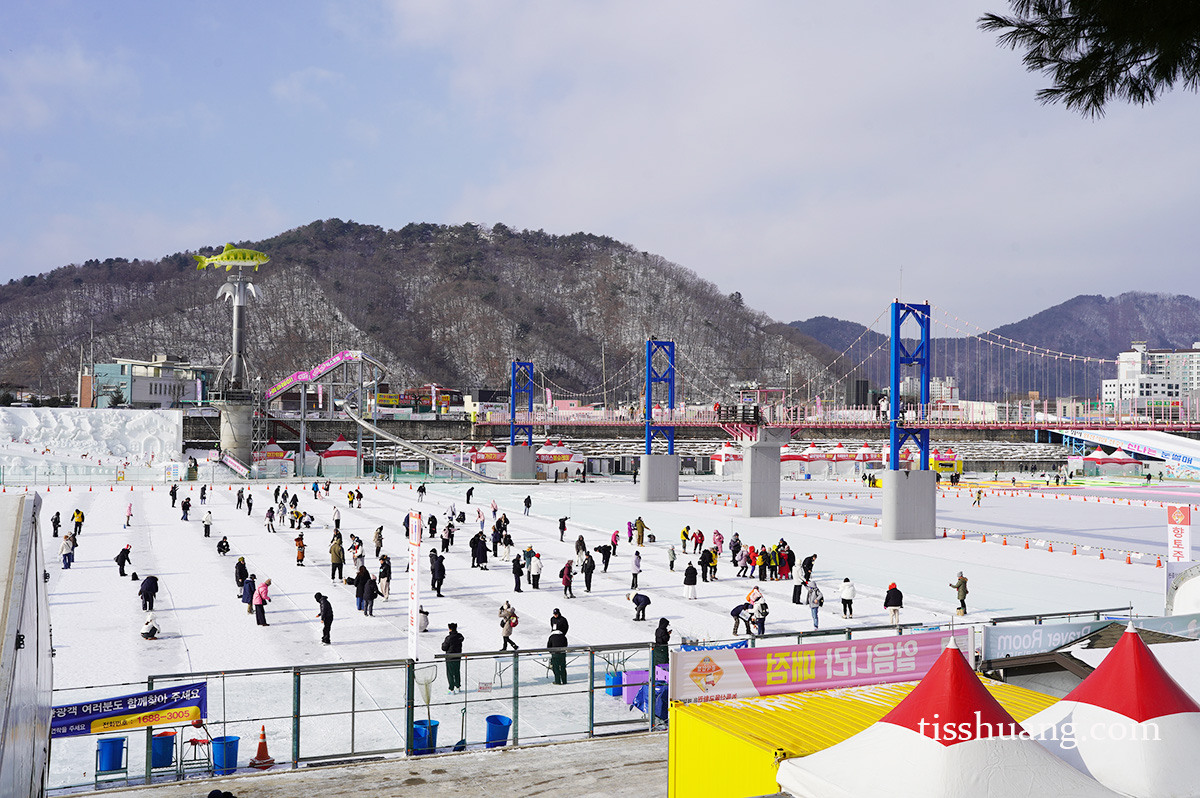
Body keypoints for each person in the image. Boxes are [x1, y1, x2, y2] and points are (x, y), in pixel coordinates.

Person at [442, 623, 464, 692]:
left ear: (450, 629)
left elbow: (444, 648)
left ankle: (451, 688)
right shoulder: (460, 636)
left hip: (450, 657)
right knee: (457, 671)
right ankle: (458, 686)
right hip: (458, 656)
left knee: (450, 673)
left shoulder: (448, 638)